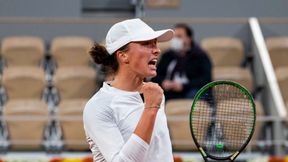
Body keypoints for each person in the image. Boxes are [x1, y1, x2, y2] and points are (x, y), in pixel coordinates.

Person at [83, 18, 174, 162]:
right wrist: (150, 108)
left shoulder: (155, 95)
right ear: (123, 55)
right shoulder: (98, 106)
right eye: (146, 44)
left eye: (155, 43)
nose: (157, 50)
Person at [152, 23, 212, 100]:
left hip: (190, 90)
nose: (175, 40)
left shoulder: (200, 56)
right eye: (174, 37)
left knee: (194, 94)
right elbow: (156, 75)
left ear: (189, 38)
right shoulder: (168, 55)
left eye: (179, 37)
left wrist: (183, 86)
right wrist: (163, 82)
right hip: (169, 91)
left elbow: (206, 79)